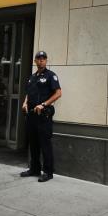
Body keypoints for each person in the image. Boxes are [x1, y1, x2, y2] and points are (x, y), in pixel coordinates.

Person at [20, 51, 62, 182]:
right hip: (32, 116)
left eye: (43, 58)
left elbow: (58, 93)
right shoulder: (32, 77)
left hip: (44, 116)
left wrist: (43, 104)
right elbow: (28, 93)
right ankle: (34, 169)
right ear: (35, 61)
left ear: (46, 60)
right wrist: (25, 103)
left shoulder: (51, 76)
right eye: (39, 58)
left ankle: (48, 172)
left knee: (45, 144)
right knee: (33, 144)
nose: (41, 60)